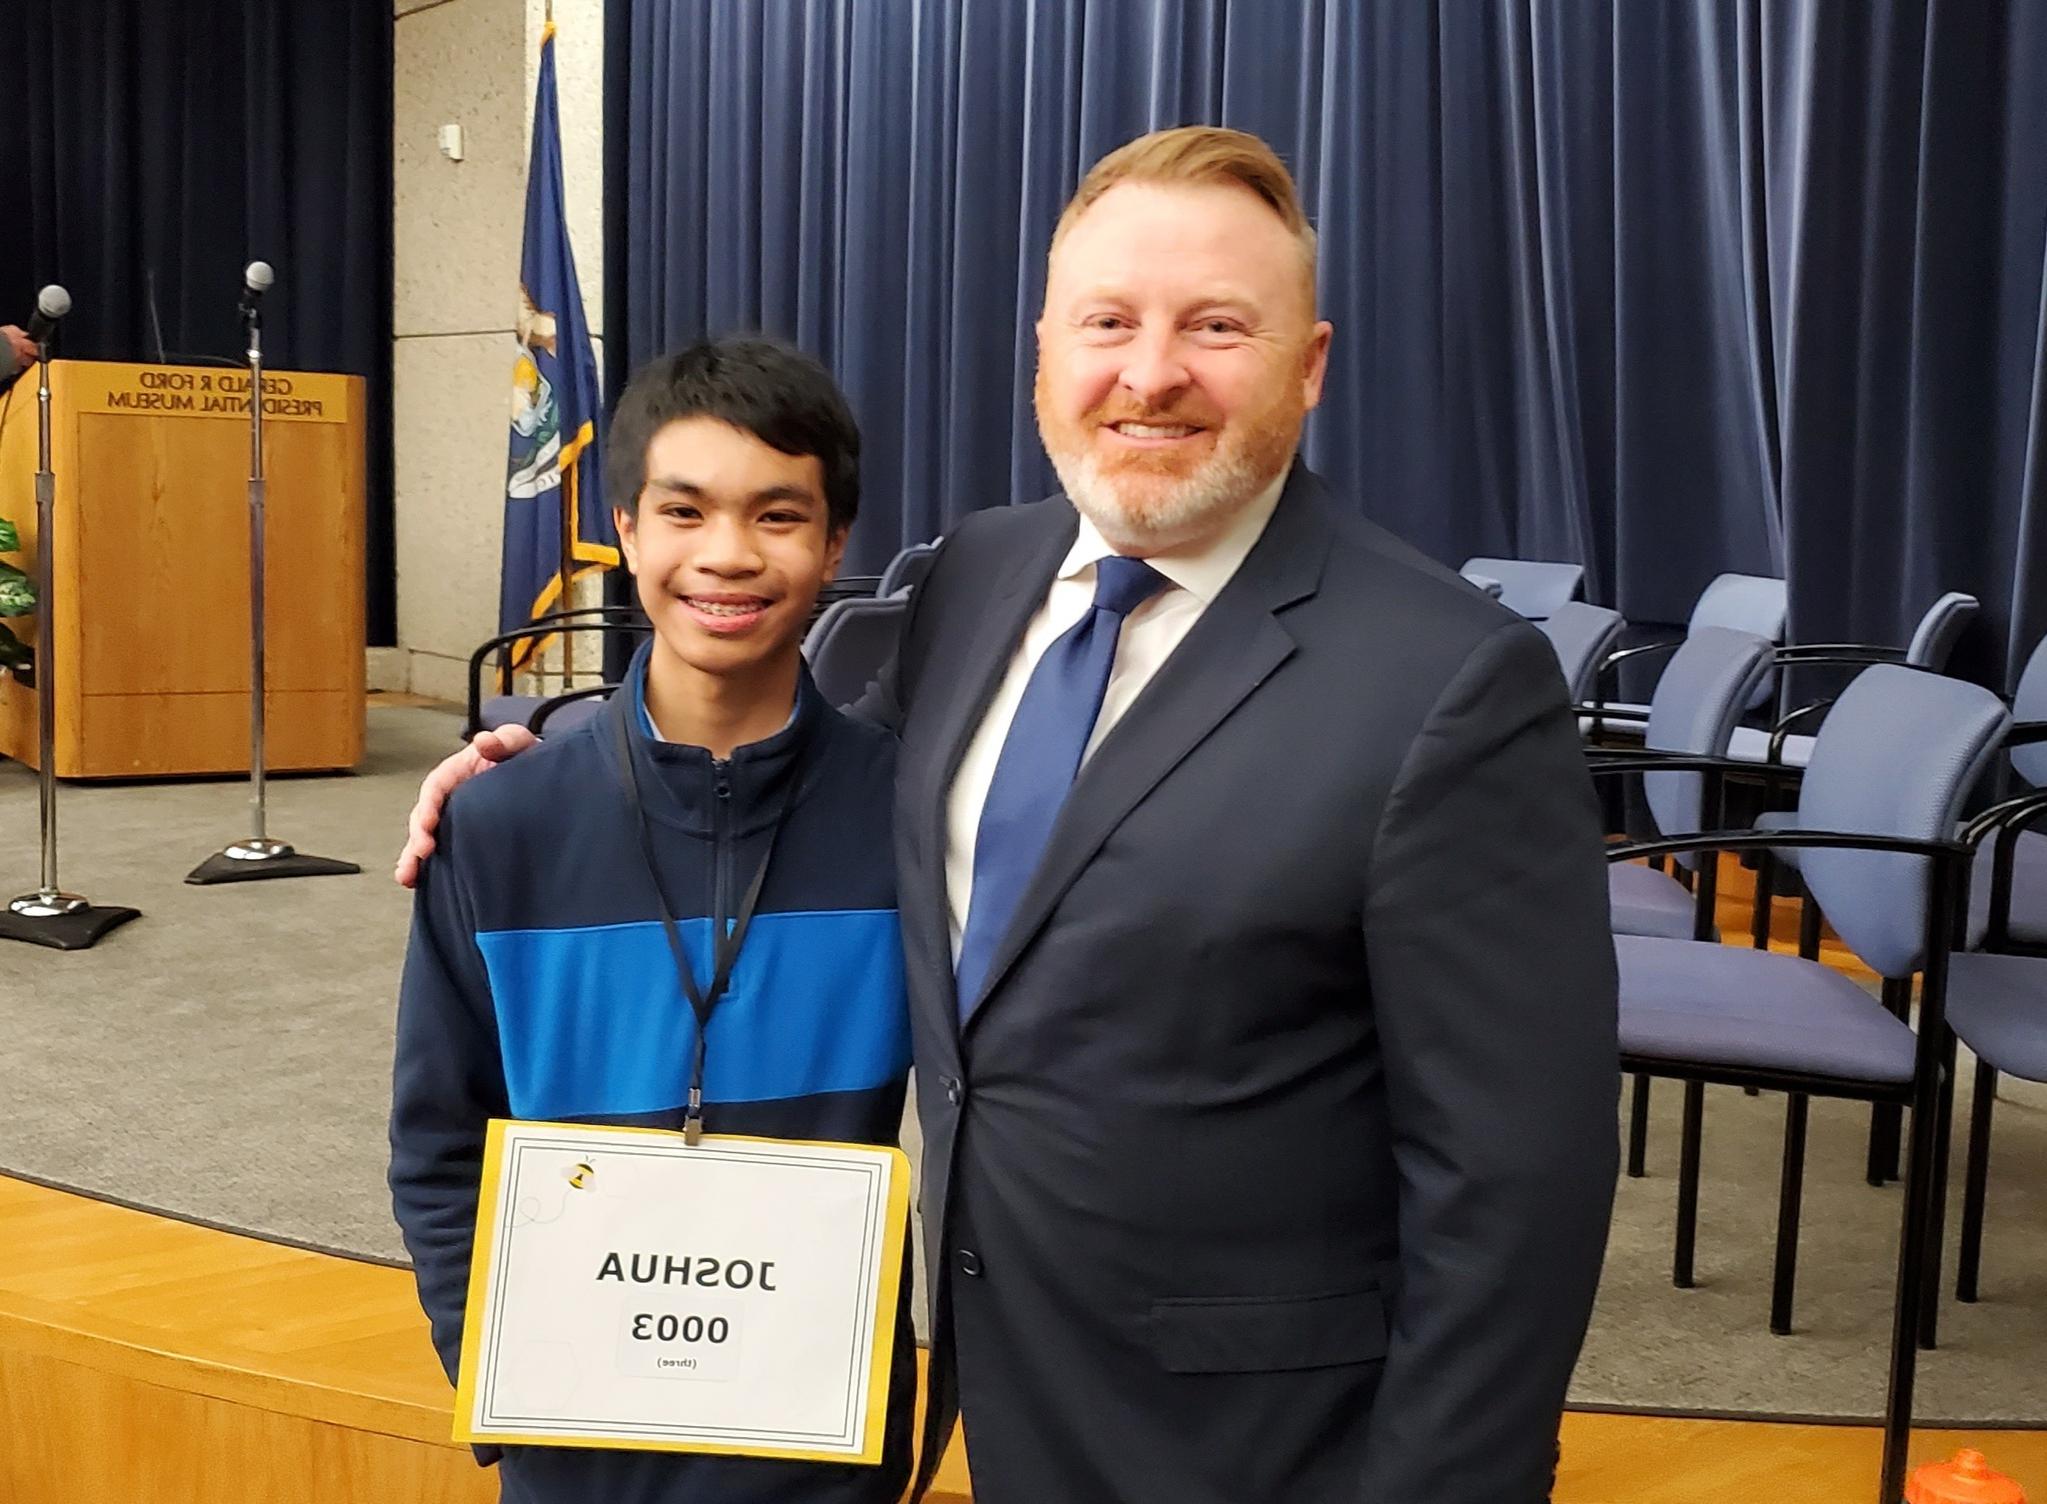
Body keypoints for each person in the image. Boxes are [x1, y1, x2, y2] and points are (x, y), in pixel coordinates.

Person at [401, 127, 1618, 1503]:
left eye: (1214, 325)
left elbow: (1516, 1186)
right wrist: (555, 759)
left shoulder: (1448, 682)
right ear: (1043, 350)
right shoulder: (983, 574)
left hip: (1256, 1447)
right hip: (991, 1389)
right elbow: (797, 759)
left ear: (1309, 362)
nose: (1148, 371)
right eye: (1108, 321)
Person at [388, 335, 917, 1504]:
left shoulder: (914, 825)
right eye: (684, 510)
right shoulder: (501, 827)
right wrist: (501, 1370)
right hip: (576, 1460)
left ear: (836, 545)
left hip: (820, 1461)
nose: (726, 554)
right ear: (624, 526)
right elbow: (437, 1144)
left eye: (779, 516)